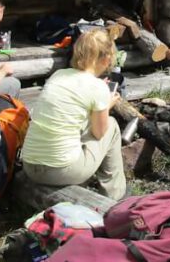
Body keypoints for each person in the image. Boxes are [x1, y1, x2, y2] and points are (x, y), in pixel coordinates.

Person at [22, 29, 126, 199]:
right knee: (112, 126)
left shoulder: (58, 75)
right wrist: (106, 105)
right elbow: (99, 133)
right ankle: (114, 196)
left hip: (30, 166)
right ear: (107, 58)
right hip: (60, 170)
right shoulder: (97, 87)